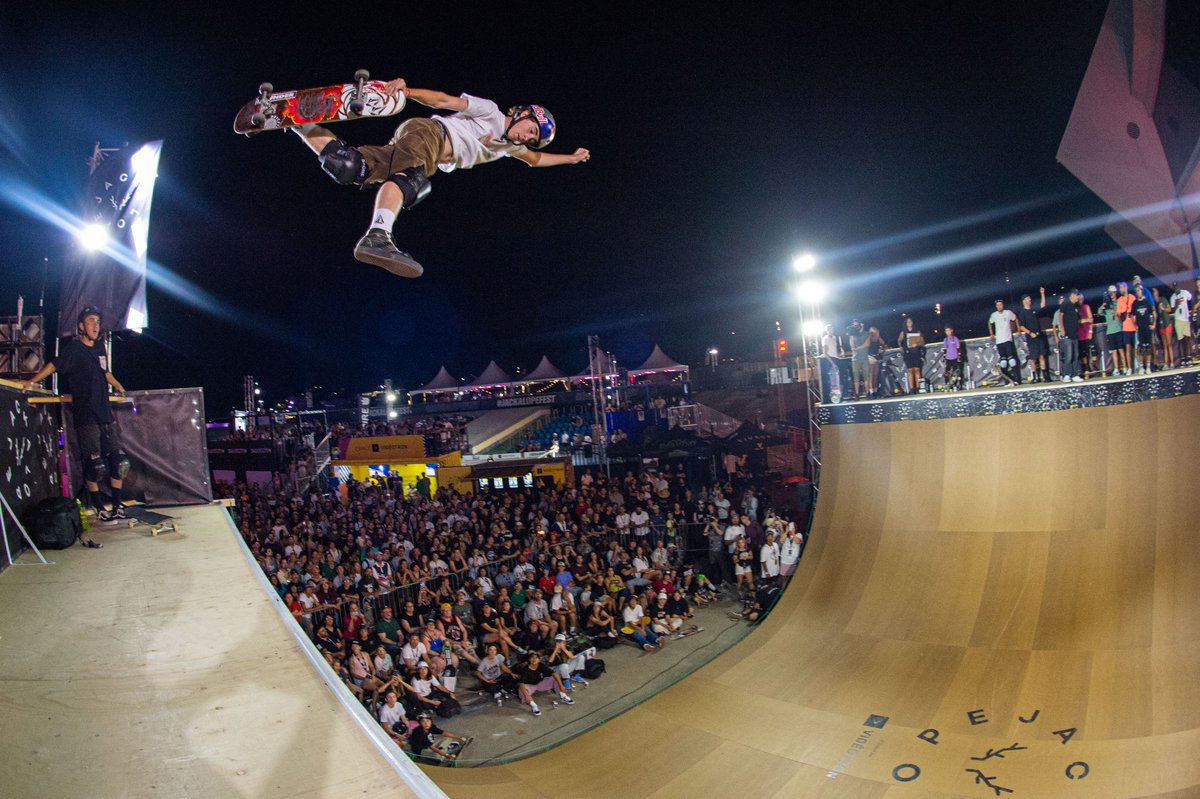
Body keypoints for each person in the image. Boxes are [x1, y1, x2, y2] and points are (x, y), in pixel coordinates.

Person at [292, 79, 591, 278]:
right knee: (412, 180)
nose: (527, 137)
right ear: (523, 114)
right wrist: (405, 92)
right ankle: (378, 236)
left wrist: (571, 158)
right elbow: (442, 100)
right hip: (429, 133)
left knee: (348, 166)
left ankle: (297, 123)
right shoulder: (490, 112)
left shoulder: (510, 148)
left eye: (533, 138)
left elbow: (536, 159)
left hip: (422, 152)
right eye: (530, 129)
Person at [22, 306, 129, 537]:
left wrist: (118, 385)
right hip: (86, 415)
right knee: (95, 464)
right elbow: (54, 365)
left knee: (119, 461)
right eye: (91, 321)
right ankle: (100, 508)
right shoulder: (73, 349)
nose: (95, 326)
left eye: (98, 322)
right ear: (81, 326)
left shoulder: (100, 347)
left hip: (104, 414)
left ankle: (118, 506)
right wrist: (32, 381)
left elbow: (105, 373)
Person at [514, 652, 575, 716]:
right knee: (521, 690)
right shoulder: (525, 669)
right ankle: (533, 706)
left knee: (554, 678)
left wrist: (561, 685)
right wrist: (526, 696)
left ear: (539, 659)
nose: (534, 659)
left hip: (541, 684)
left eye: (536, 658)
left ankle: (563, 696)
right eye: (532, 657)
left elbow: (554, 674)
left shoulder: (541, 665)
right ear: (529, 659)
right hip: (530, 686)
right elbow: (521, 684)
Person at [1015, 289, 1048, 383]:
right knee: (1033, 358)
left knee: (1042, 356)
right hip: (1031, 338)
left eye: (1030, 299)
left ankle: (1045, 376)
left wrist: (1042, 293)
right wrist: (1030, 333)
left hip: (1039, 336)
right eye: (1028, 299)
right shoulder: (1023, 312)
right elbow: (1021, 326)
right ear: (1024, 301)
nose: (1030, 300)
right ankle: (1034, 377)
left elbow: (1043, 306)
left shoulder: (1033, 309)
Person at [987, 299, 1020, 386]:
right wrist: (991, 334)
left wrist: (1018, 329)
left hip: (1007, 339)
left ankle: (1017, 380)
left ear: (1003, 305)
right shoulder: (994, 315)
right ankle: (1008, 380)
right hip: (999, 341)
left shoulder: (1008, 313)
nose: (999, 307)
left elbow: (1015, 318)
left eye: (1000, 305)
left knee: (1012, 360)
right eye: (997, 305)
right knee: (1003, 362)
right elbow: (989, 322)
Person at [1056, 289, 1082, 383]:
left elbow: (1077, 318)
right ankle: (1066, 374)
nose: (1078, 297)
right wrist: (1062, 329)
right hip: (1067, 334)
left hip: (1075, 334)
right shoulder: (1065, 303)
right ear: (1072, 295)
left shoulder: (1075, 306)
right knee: (1069, 355)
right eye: (1076, 295)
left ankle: (1075, 374)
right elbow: (1060, 316)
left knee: (1076, 354)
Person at [1131, 284, 1156, 375]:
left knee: (1148, 347)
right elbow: (1133, 316)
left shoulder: (1147, 302)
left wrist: (1153, 324)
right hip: (1140, 328)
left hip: (1147, 327)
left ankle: (1148, 367)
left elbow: (1153, 312)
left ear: (1142, 291)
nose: (1138, 292)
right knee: (1141, 348)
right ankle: (1141, 367)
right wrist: (1135, 326)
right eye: (1137, 291)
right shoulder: (1135, 303)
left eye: (1140, 290)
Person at [897, 316, 926, 394]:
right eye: (908, 322)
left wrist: (917, 344)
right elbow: (899, 340)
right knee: (910, 371)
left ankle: (918, 387)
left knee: (917, 370)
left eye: (910, 321)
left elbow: (922, 342)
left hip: (916, 352)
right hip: (908, 353)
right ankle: (912, 389)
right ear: (905, 324)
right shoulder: (903, 332)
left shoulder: (917, 331)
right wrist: (900, 346)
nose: (909, 323)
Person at [1116, 281, 1137, 376]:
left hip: (1135, 327)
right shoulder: (1119, 300)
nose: (1120, 290)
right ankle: (1129, 368)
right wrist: (1117, 315)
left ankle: (1138, 365)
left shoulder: (1132, 297)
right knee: (1128, 348)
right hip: (1125, 328)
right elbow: (1119, 314)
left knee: (1136, 348)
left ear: (1126, 288)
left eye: (1121, 288)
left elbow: (1136, 310)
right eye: (1119, 288)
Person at [1170, 282, 1193, 365]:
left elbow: (1190, 300)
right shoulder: (1173, 297)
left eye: (1177, 287)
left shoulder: (1185, 293)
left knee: (1188, 339)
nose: (1176, 289)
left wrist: (1191, 312)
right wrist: (1176, 305)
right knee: (1180, 340)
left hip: (1185, 318)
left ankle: (1189, 357)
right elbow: (1172, 310)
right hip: (1178, 320)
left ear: (1179, 287)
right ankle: (1182, 359)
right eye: (1174, 287)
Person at [848, 320, 871, 399]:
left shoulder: (867, 333)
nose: (856, 326)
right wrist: (851, 336)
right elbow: (852, 346)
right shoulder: (853, 335)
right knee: (856, 377)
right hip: (855, 358)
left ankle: (868, 393)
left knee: (866, 376)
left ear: (861, 324)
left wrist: (857, 348)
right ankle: (857, 394)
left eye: (857, 324)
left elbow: (867, 344)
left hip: (864, 357)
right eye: (854, 325)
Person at [1154, 288, 1175, 371]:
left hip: (1167, 324)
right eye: (1153, 294)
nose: (1154, 295)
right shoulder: (1155, 303)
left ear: (1157, 293)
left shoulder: (1163, 299)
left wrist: (1163, 309)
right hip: (1161, 325)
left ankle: (1172, 363)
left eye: (1155, 293)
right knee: (1165, 345)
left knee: (1169, 344)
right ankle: (1166, 363)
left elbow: (1169, 310)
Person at [942, 325, 964, 390]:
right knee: (947, 372)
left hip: (955, 357)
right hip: (948, 358)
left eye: (949, 330)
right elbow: (945, 350)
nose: (947, 332)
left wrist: (959, 357)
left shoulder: (955, 338)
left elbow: (958, 348)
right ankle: (947, 384)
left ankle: (957, 384)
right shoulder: (945, 340)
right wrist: (944, 358)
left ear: (952, 330)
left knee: (956, 371)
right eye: (946, 331)